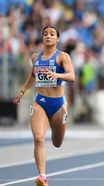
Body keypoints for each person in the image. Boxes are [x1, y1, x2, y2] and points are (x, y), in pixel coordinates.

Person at [13, 26, 75, 186]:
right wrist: (22, 91)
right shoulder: (35, 57)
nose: (48, 36)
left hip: (58, 104)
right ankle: (42, 176)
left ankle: (62, 121)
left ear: (57, 39)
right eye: (45, 34)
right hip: (40, 102)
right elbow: (32, 76)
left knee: (57, 143)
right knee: (38, 138)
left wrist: (57, 75)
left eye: (52, 34)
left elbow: (72, 76)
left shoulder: (62, 56)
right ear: (42, 38)